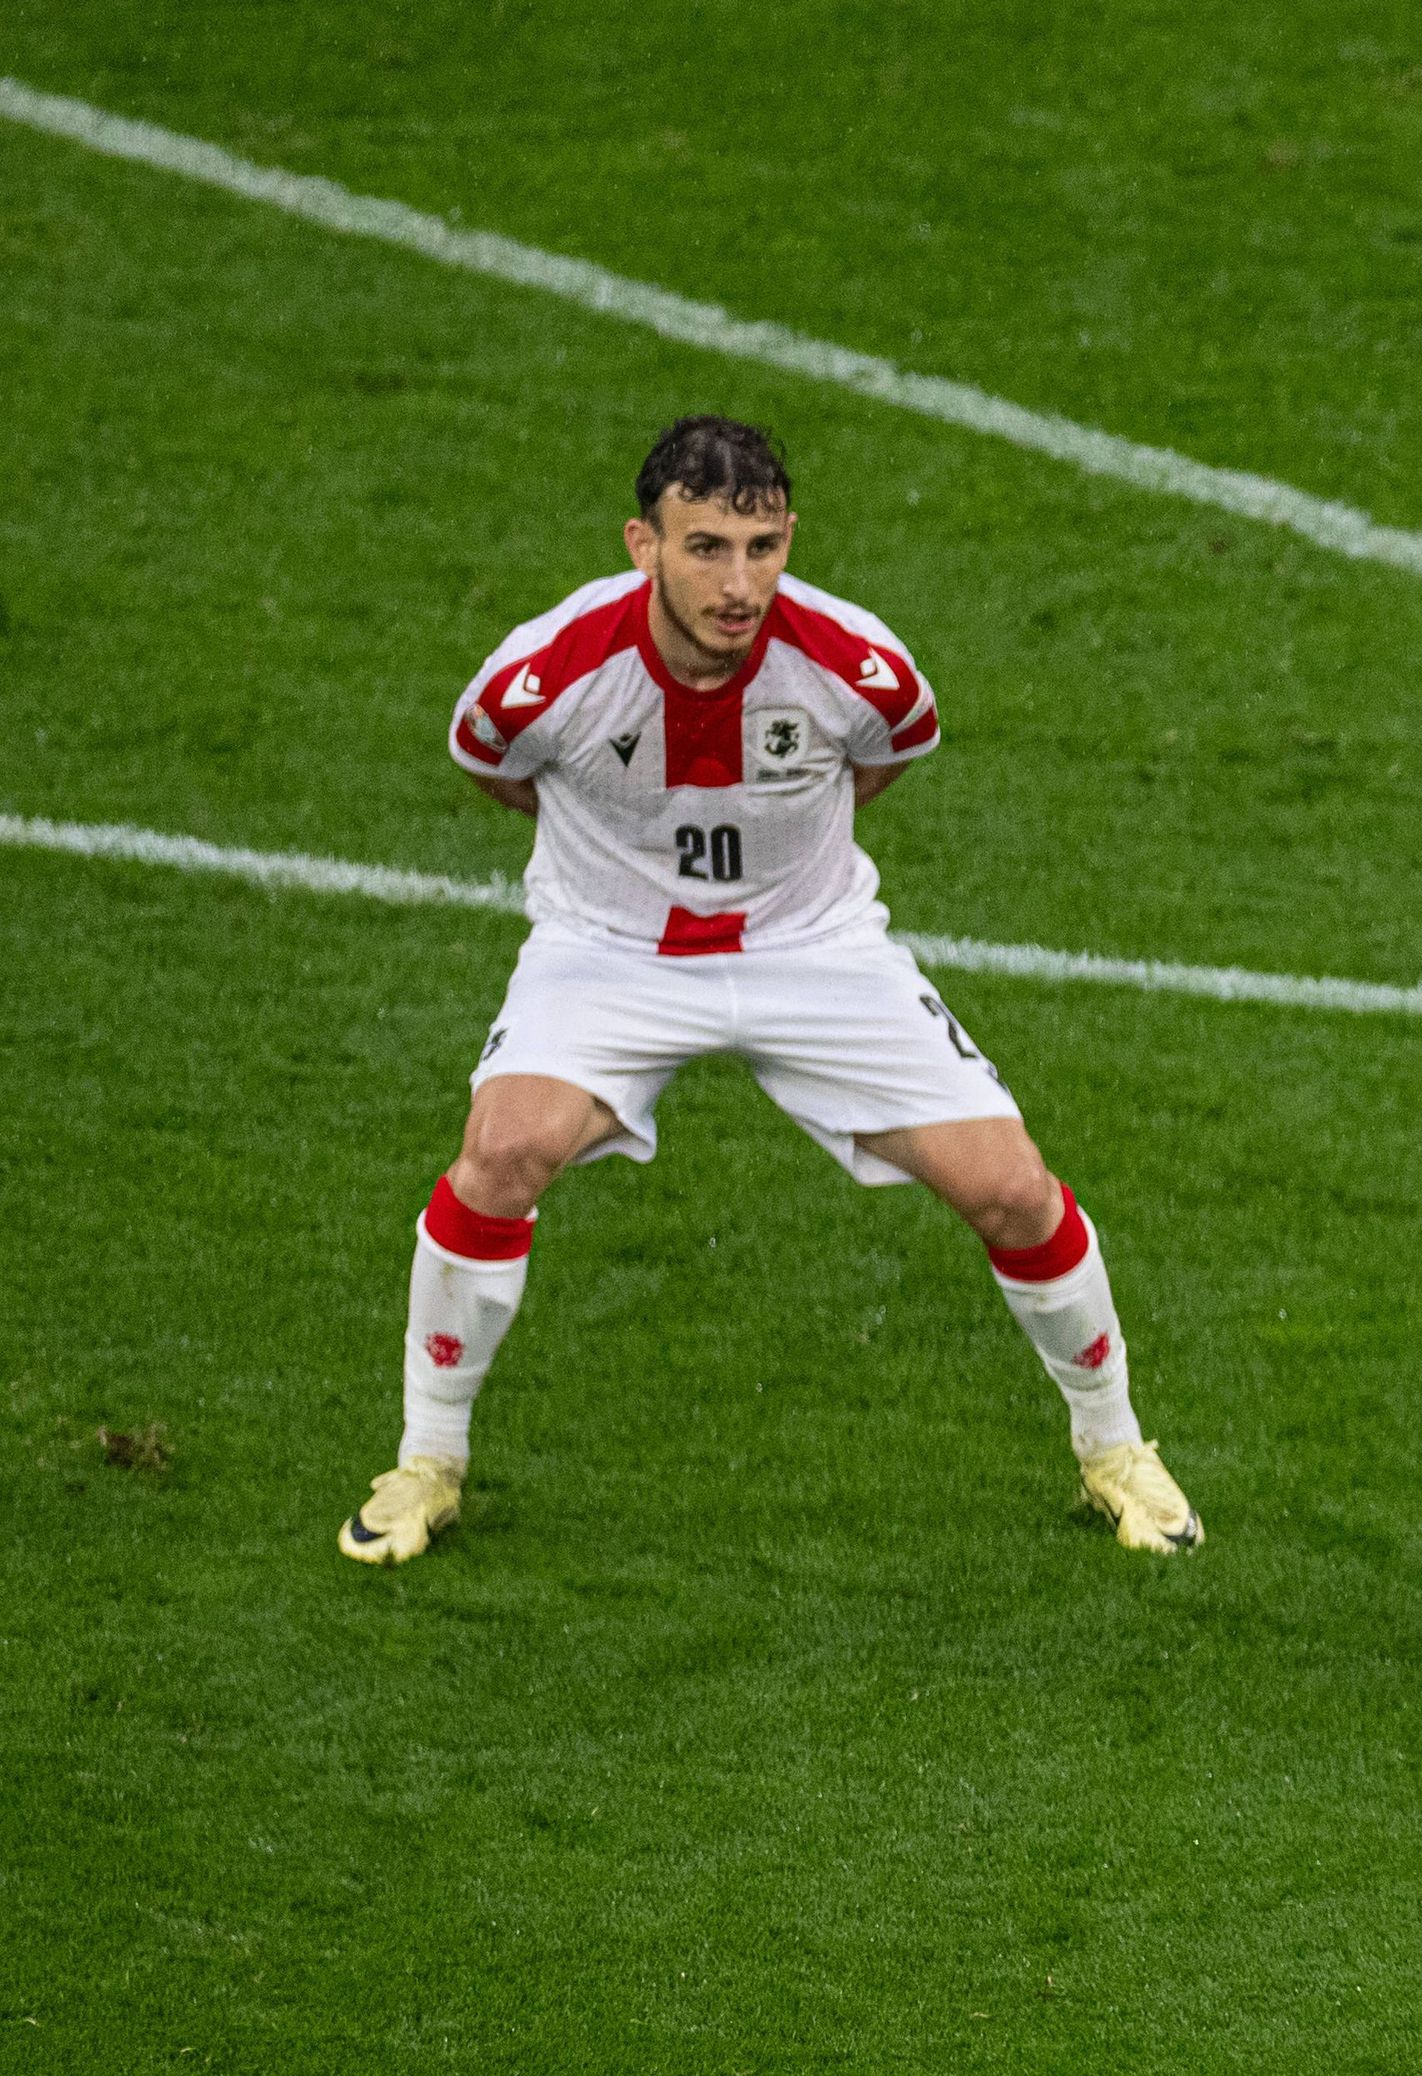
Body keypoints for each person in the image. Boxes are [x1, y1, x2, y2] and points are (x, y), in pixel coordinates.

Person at [341, 414, 1197, 1563]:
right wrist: (618, 875)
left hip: (816, 953)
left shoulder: (857, 666)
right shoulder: (549, 673)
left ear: (790, 537)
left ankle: (1114, 1450)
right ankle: (426, 1460)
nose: (738, 583)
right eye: (706, 548)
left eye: (761, 546)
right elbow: (492, 764)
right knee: (500, 1153)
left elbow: (890, 750)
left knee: (1011, 1187)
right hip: (611, 952)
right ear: (643, 544)